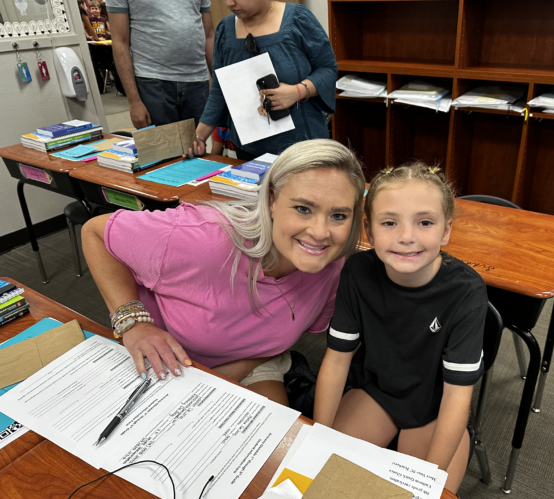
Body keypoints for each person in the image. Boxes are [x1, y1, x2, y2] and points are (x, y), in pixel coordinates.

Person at [82, 140, 366, 406]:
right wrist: (133, 322)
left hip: (253, 361)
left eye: (338, 216)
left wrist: (235, 369)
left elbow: (272, 343)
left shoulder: (332, 267)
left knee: (270, 444)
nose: (319, 233)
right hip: (168, 358)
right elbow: (95, 233)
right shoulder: (203, 238)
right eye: (303, 209)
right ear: (272, 201)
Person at [313, 162, 488, 493]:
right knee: (324, 479)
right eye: (389, 223)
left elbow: (456, 395)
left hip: (435, 407)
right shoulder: (357, 272)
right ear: (369, 230)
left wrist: (428, 479)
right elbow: (337, 361)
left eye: (424, 222)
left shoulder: (467, 290)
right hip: (377, 391)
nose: (407, 237)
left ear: (446, 231)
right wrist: (319, 435)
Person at [192, 0, 337, 160]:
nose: (229, 3)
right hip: (248, 150)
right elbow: (219, 91)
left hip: (301, 148)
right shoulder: (225, 29)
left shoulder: (298, 19)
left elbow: (328, 69)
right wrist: (199, 138)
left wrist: (297, 91)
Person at [105, 0, 215, 128]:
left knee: (198, 145)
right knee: (163, 147)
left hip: (197, 80)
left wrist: (221, 88)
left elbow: (209, 36)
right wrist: (134, 101)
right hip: (152, 82)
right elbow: (120, 42)